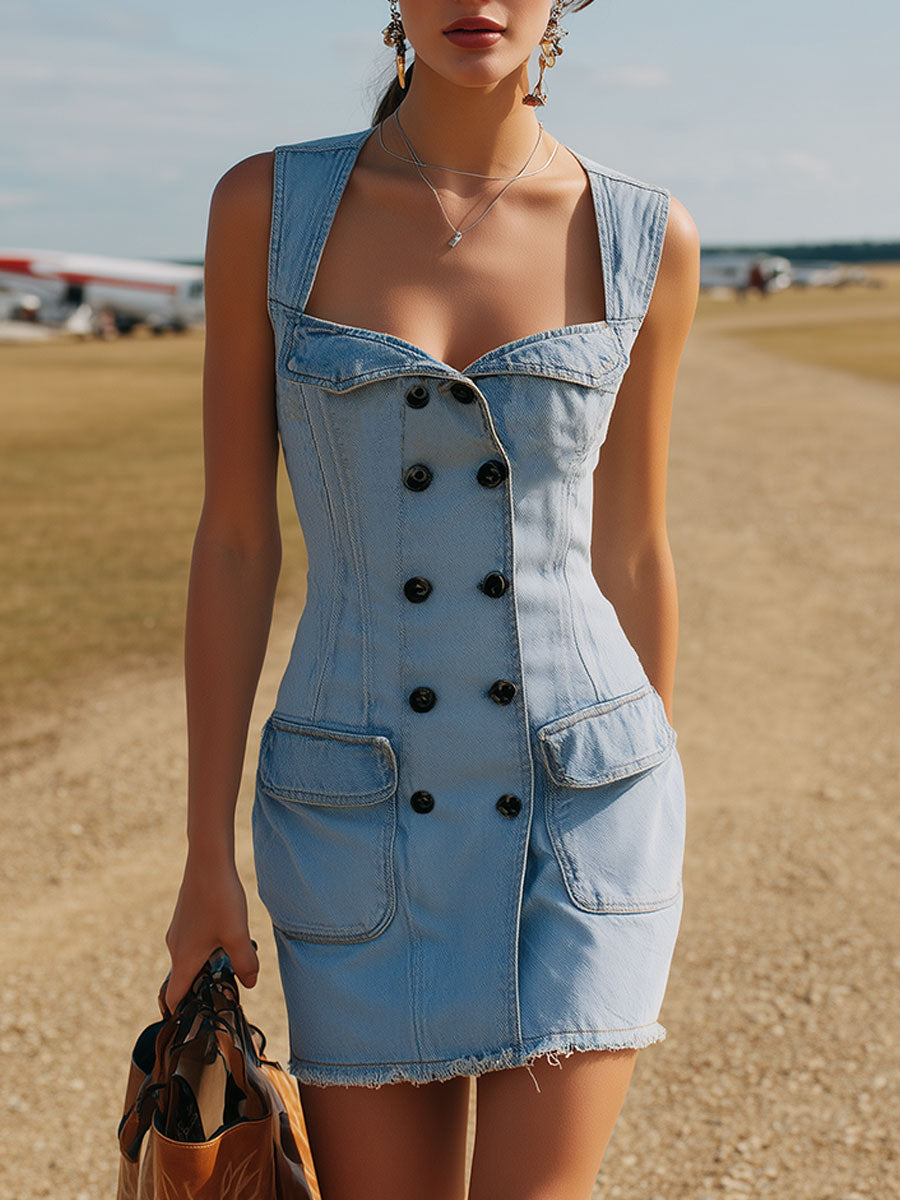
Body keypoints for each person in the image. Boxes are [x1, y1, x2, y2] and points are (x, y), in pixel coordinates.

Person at [163, 2, 700, 1196]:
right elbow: (236, 543)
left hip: (583, 812)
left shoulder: (644, 234)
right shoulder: (267, 209)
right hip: (353, 817)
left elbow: (634, 547)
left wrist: (645, 818)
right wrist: (206, 855)